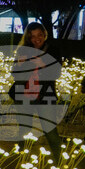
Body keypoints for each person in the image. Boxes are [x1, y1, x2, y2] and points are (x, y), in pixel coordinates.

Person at [13, 22, 63, 160]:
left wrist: (43, 65)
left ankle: (60, 162)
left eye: (39, 35)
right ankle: (21, 161)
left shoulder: (53, 50)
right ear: (28, 37)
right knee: (24, 130)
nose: (37, 39)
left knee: (50, 130)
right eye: (33, 36)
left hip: (45, 95)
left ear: (44, 34)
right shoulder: (23, 50)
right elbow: (15, 74)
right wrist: (20, 65)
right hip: (24, 95)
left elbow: (57, 73)